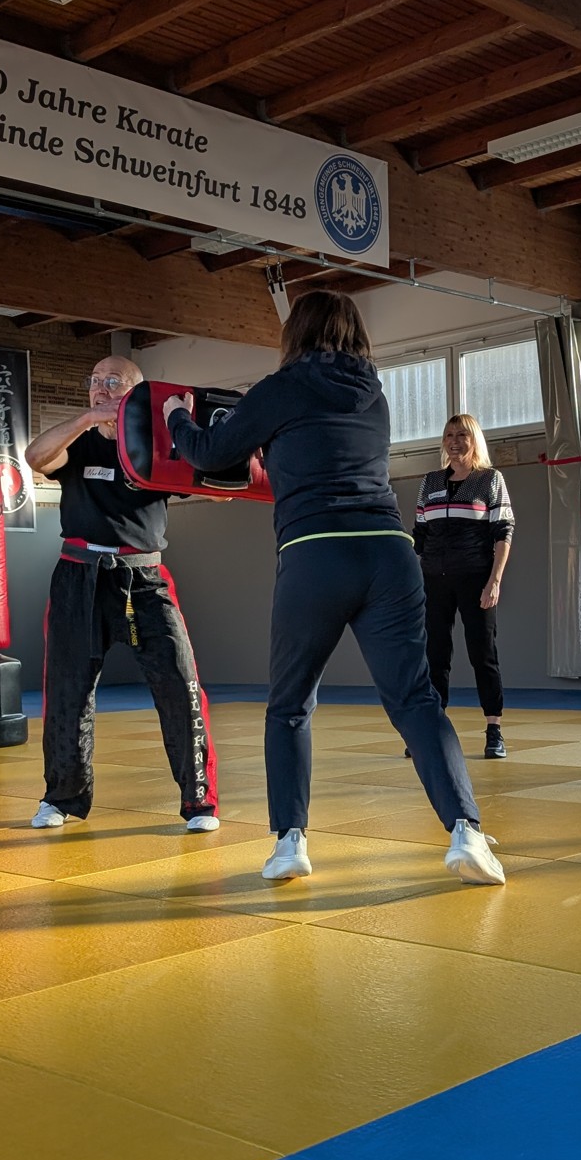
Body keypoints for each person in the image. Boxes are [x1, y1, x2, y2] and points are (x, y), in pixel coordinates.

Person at [163, 290, 504, 886]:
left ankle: (290, 843)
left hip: (316, 553)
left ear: (296, 332)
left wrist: (174, 416)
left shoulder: (280, 388)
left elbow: (211, 452)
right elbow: (322, 453)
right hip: (389, 551)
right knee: (416, 700)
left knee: (290, 705)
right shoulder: (375, 393)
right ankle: (467, 831)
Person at [24, 354, 218, 832]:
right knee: (67, 692)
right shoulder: (77, 442)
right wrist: (87, 419)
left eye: (113, 381)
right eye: (94, 381)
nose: (101, 388)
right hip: (78, 577)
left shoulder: (158, 443)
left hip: (144, 578)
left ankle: (199, 802)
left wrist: (203, 439)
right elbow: (35, 457)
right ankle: (62, 797)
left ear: (135, 391)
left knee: (180, 684)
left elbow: (216, 487)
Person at [413, 414, 514, 758]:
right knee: (435, 655)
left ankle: (494, 730)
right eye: (449, 435)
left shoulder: (489, 479)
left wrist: (494, 581)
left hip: (475, 579)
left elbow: (503, 532)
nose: (454, 441)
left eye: (462, 435)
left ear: (475, 440)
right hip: (433, 581)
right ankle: (432, 730)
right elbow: (419, 536)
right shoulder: (430, 482)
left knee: (482, 654)